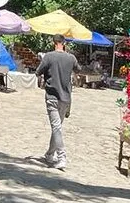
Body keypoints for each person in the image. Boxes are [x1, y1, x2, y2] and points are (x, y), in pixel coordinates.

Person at [35, 34, 80, 170]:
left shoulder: (48, 56)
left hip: (52, 97)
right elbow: (78, 69)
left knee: (56, 128)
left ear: (53, 43)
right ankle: (50, 154)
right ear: (64, 43)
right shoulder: (71, 58)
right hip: (66, 98)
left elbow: (38, 72)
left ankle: (62, 157)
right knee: (57, 127)